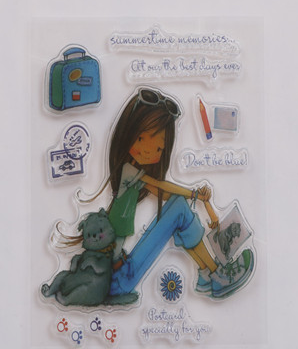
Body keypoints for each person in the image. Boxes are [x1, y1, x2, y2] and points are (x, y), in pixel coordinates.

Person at [88, 87, 244, 299]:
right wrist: (194, 195)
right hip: (116, 280)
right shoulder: (128, 170)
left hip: (120, 271)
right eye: (141, 139)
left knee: (179, 208)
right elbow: (162, 186)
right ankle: (216, 274)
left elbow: (166, 194)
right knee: (180, 208)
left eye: (159, 148)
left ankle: (207, 274)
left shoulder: (135, 177)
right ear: (128, 134)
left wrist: (195, 196)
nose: (149, 150)